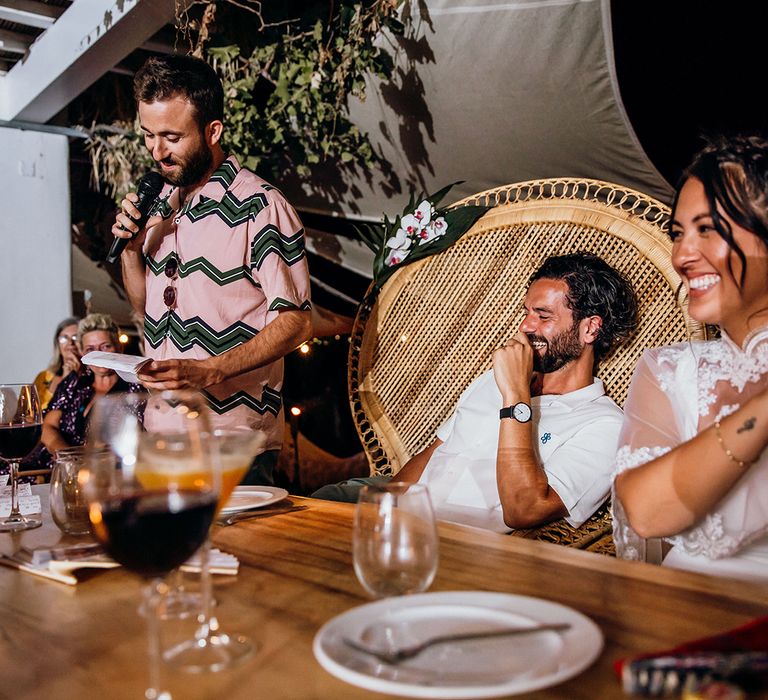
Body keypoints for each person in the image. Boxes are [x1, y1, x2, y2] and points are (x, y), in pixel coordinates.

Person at [313, 253, 639, 533]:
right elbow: (436, 451)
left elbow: (524, 510)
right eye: (525, 313)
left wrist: (515, 396)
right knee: (314, 506)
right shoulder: (491, 379)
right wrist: (388, 509)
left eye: (543, 316)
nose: (526, 326)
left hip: (460, 535)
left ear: (590, 328)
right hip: (407, 510)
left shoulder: (605, 426)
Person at [111, 54, 312, 486]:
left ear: (212, 131)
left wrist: (212, 368)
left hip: (232, 447)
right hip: (160, 441)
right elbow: (146, 307)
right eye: (148, 135)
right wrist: (131, 252)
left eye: (171, 137)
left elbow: (296, 322)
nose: (157, 151)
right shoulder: (162, 203)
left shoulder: (261, 206)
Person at [612, 134, 768, 582]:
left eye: (708, 229)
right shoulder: (671, 369)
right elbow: (645, 512)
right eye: (678, 233)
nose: (682, 255)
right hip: (678, 611)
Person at [24, 313, 145, 470]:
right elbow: (48, 427)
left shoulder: (134, 388)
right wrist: (71, 460)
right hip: (54, 468)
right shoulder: (75, 382)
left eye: (106, 346)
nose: (100, 354)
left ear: (119, 347)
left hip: (106, 473)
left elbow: (134, 440)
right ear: (82, 352)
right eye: (90, 349)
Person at [33, 317, 81, 411]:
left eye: (76, 337)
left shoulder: (87, 378)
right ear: (57, 343)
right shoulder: (44, 376)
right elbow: (25, 412)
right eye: (64, 338)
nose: (70, 343)